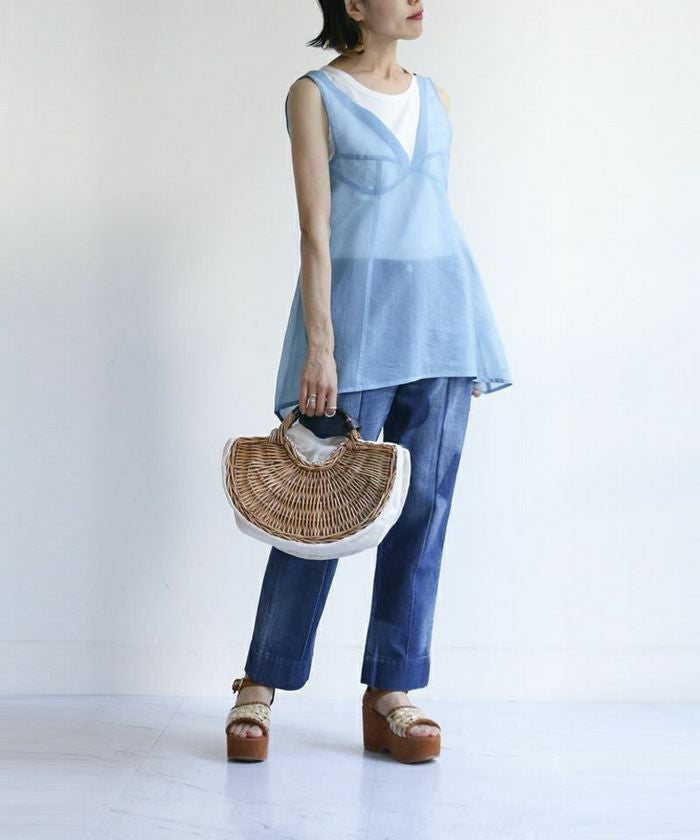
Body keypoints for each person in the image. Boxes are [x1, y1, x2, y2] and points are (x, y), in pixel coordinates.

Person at [225, 0, 512, 764]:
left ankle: (392, 690)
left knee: (425, 511)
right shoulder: (314, 95)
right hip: (353, 332)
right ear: (353, 3)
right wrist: (321, 346)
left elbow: (435, 219)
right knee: (315, 510)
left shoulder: (436, 96)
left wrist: (470, 338)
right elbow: (314, 230)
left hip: (444, 325)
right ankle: (262, 679)